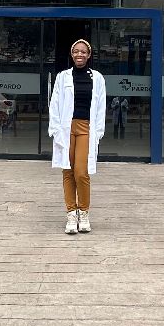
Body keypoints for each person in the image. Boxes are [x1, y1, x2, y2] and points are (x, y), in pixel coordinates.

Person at [48, 39, 106, 234]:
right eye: (76, 51)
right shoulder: (63, 77)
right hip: (66, 127)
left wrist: (98, 132)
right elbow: (54, 103)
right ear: (72, 55)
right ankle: (71, 213)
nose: (79, 54)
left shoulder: (97, 78)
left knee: (81, 171)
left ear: (89, 55)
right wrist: (55, 129)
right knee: (67, 169)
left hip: (86, 127)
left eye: (83, 52)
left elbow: (101, 107)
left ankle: (84, 212)